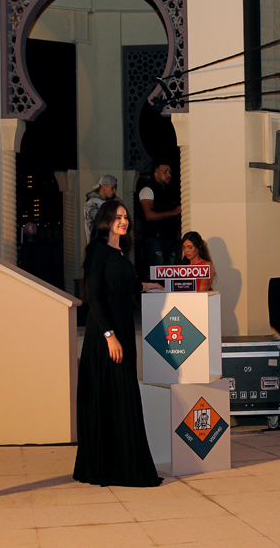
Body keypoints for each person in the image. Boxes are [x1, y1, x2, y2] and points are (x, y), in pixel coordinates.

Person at [74, 200, 164, 487]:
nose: (123, 221)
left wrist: (146, 285)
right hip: (105, 333)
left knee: (123, 396)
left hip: (122, 328)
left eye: (125, 217)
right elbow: (94, 297)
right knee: (108, 397)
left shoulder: (120, 252)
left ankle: (125, 465)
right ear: (105, 221)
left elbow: (123, 285)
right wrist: (109, 335)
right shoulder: (97, 251)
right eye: (117, 217)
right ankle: (108, 468)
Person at [139, 161, 181, 266]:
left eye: (170, 172)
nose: (168, 175)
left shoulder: (170, 191)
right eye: (165, 172)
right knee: (159, 271)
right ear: (156, 174)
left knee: (171, 270)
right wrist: (173, 212)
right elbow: (149, 215)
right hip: (156, 238)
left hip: (171, 237)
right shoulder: (147, 190)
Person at [84, 174, 118, 243]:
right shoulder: (93, 203)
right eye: (112, 188)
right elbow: (94, 227)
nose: (114, 191)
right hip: (98, 244)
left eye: (115, 188)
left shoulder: (105, 202)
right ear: (104, 187)